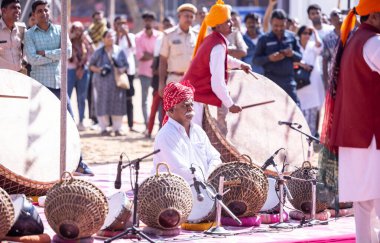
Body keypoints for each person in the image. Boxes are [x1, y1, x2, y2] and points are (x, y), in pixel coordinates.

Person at [322, 0, 380, 241]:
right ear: (374, 17)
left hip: (353, 136)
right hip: (371, 137)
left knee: (364, 205)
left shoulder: (353, 39)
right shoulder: (374, 42)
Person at [24, 0, 94, 176]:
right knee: (40, 127)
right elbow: (32, 59)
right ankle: (40, 166)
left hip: (59, 85)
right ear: (34, 15)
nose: (43, 13)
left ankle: (78, 162)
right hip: (39, 86)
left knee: (70, 123)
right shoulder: (30, 34)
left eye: (45, 10)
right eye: (39, 11)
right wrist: (56, 54)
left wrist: (46, 53)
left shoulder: (60, 30)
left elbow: (67, 53)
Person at [182, 0, 251, 127]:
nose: (232, 23)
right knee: (192, 139)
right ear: (218, 26)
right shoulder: (217, 46)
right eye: (228, 21)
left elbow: (225, 59)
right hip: (193, 99)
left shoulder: (214, 40)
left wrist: (240, 65)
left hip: (191, 96)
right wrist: (230, 104)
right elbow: (217, 83)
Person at [152, 81, 221, 184]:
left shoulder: (198, 131)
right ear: (171, 110)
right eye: (185, 105)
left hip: (204, 186)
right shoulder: (165, 135)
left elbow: (215, 158)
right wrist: (205, 181)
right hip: (176, 192)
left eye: (191, 104)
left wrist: (209, 176)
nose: (190, 109)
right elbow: (179, 170)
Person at [253, 9, 302, 106]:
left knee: (295, 109)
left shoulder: (291, 37)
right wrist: (269, 58)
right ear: (271, 23)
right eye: (276, 26)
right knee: (272, 111)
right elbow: (255, 60)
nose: (279, 28)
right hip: (271, 81)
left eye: (282, 26)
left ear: (286, 23)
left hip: (289, 81)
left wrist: (292, 54)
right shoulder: (264, 39)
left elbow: (299, 57)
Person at [89, 29, 129, 137]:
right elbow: (90, 65)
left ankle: (117, 129)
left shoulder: (119, 51)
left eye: (112, 36)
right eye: (108, 36)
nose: (111, 38)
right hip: (101, 83)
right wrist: (100, 69)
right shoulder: (98, 51)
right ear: (103, 38)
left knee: (118, 104)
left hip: (117, 82)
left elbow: (126, 65)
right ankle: (103, 128)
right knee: (102, 104)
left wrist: (122, 69)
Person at [158, 3, 198, 95]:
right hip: (174, 80)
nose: (189, 19)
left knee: (192, 109)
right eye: (186, 16)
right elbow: (163, 60)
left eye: (191, 17)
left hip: (193, 81)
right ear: (179, 16)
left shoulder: (197, 36)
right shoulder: (169, 35)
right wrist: (161, 84)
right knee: (174, 109)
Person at [146, 16, 175, 138]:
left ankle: (163, 130)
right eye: (166, 25)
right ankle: (149, 131)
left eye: (170, 24)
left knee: (166, 110)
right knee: (154, 109)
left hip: (172, 82)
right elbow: (155, 67)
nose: (167, 27)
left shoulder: (175, 43)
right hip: (159, 83)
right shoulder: (160, 41)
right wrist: (163, 74)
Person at [295, 26, 324, 137]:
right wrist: (301, 64)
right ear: (300, 34)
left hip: (312, 82)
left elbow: (319, 46)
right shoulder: (295, 45)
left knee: (312, 110)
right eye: (304, 33)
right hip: (299, 82)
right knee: (300, 109)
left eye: (308, 33)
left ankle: (310, 136)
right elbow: (291, 59)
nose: (307, 35)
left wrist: (315, 31)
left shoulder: (312, 45)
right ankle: (299, 136)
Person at [135, 11, 160, 131]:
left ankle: (159, 125)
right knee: (144, 100)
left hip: (157, 73)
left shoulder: (159, 36)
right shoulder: (138, 37)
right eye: (146, 20)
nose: (148, 22)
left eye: (150, 20)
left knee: (158, 99)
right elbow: (140, 55)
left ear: (153, 21)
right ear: (144, 21)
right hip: (144, 72)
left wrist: (150, 55)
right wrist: (154, 57)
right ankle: (146, 125)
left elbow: (159, 55)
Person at [68, 21, 94, 131]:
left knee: (82, 97)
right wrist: (70, 37)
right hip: (70, 70)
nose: (78, 32)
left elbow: (93, 51)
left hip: (83, 70)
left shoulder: (85, 43)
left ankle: (81, 121)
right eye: (75, 29)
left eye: (80, 30)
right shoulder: (68, 41)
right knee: (67, 96)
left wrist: (88, 41)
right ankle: (69, 120)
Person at [114, 16, 137, 133]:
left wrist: (126, 34)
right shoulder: (114, 37)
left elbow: (132, 48)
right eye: (119, 24)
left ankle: (131, 124)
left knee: (129, 98)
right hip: (118, 71)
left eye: (124, 24)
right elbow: (115, 50)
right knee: (117, 98)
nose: (121, 26)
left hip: (129, 71)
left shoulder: (131, 36)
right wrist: (118, 35)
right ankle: (117, 125)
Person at [0, 0, 25, 72]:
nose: (18, 11)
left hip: (18, 75)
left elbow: (26, 50)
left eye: (19, 8)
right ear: (4, 11)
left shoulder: (22, 28)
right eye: (14, 7)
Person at [322, 9, 343, 89]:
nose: (338, 15)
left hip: (350, 71)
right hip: (335, 74)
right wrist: (325, 80)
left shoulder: (351, 33)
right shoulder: (327, 38)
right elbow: (325, 60)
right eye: (334, 14)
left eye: (340, 13)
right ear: (330, 20)